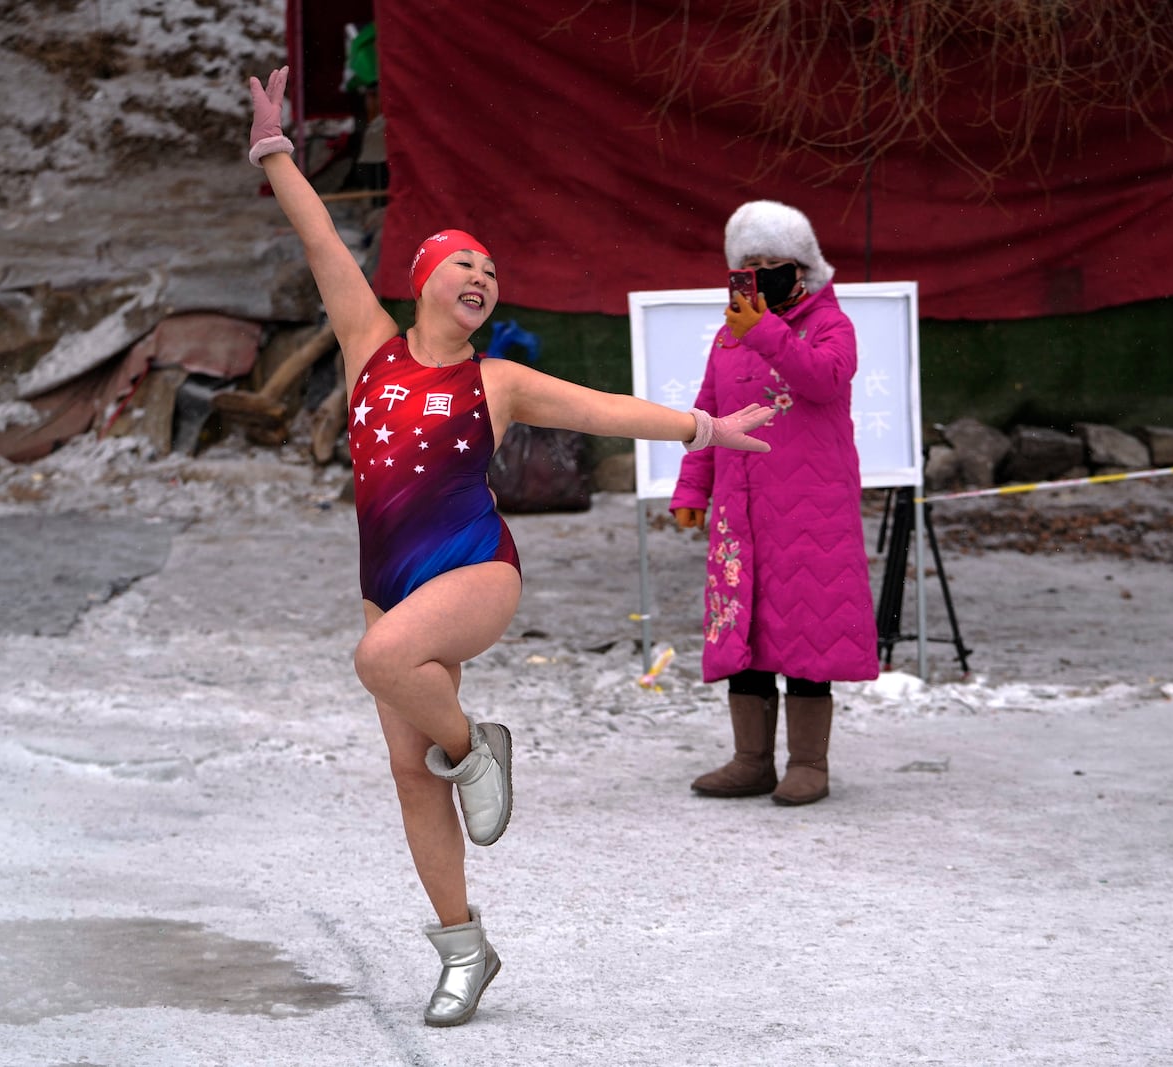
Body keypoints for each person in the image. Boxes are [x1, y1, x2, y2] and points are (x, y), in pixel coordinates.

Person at [245, 68, 775, 1026]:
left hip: (474, 568)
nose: (481, 277)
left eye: (490, 269)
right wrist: (276, 151)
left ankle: (477, 743)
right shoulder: (369, 346)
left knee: (380, 662)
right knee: (410, 775)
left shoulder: (500, 380)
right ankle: (463, 948)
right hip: (384, 578)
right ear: (422, 281)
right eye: (464, 263)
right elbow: (323, 240)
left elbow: (607, 410)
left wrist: (704, 427)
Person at [670, 200, 880, 807]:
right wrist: (692, 489)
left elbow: (822, 379)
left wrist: (761, 331)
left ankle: (808, 763)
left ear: (805, 266)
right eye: (749, 263)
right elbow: (707, 417)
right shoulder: (727, 338)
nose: (761, 272)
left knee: (809, 632)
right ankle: (750, 760)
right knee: (747, 633)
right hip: (743, 513)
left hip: (814, 513)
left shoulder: (831, 326)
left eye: (774, 261)